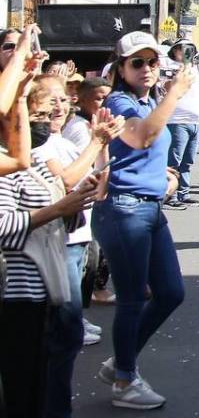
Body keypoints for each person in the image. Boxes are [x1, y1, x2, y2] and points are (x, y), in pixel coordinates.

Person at [93, 30, 191, 410]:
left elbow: (143, 151)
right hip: (124, 209)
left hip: (149, 207)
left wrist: (166, 174)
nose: (147, 69)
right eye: (137, 62)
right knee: (133, 298)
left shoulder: (145, 101)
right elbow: (143, 137)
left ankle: (122, 360)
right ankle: (124, 380)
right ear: (121, 67)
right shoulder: (119, 101)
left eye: (153, 61)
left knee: (170, 292)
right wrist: (174, 94)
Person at [0, 85, 101, 418]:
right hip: (16, 296)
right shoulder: (6, 168)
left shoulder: (36, 163)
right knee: (21, 387)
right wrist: (59, 209)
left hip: (46, 291)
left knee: (43, 377)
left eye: (45, 117)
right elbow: (4, 227)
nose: (43, 124)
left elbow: (62, 222)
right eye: (35, 117)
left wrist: (78, 199)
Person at [27, 74, 124, 416]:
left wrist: (105, 144)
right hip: (57, 246)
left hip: (77, 240)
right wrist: (97, 143)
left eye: (61, 99)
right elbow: (66, 180)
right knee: (62, 335)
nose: (58, 106)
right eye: (47, 100)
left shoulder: (65, 138)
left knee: (67, 335)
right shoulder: (40, 143)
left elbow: (96, 185)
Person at [161, 39, 199, 210]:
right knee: (174, 160)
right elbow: (164, 87)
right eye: (183, 49)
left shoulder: (196, 68)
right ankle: (169, 194)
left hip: (194, 121)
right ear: (175, 51)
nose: (187, 52)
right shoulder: (169, 66)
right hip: (176, 120)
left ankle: (184, 193)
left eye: (190, 49)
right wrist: (177, 75)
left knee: (187, 161)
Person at [62, 77, 110, 150]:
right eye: (100, 99)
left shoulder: (94, 125)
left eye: (109, 99)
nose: (106, 103)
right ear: (83, 100)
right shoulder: (80, 128)